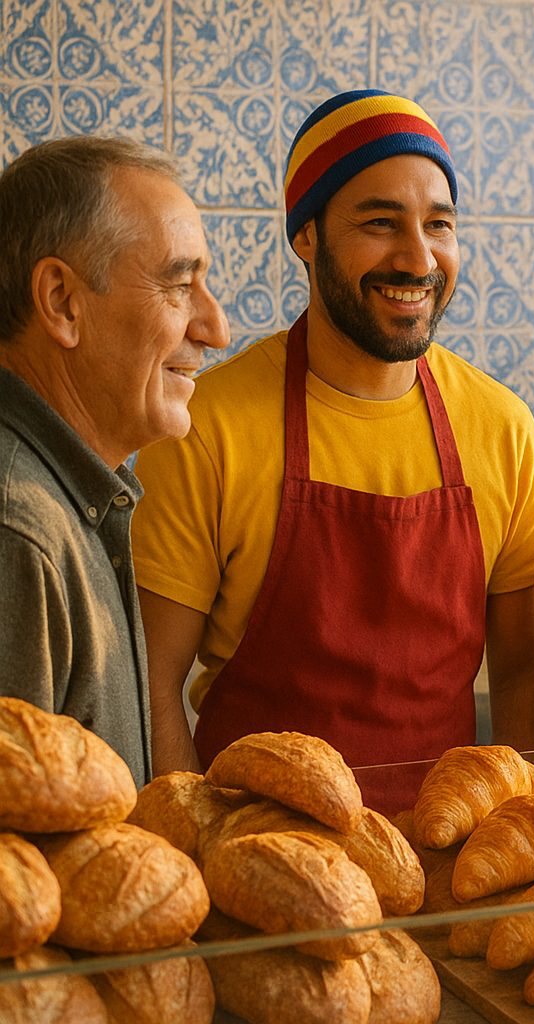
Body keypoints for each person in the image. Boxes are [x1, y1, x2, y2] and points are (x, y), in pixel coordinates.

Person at [131, 90, 534, 812]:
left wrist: (510, 849)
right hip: (260, 859)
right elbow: (150, 684)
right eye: (380, 223)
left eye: (439, 225)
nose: (418, 257)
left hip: (445, 853)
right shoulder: (209, 428)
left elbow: (523, 676)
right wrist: (191, 844)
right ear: (307, 236)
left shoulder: (502, 428)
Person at [0, 137, 230, 786]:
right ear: (62, 301)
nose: (215, 328)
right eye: (180, 285)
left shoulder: (75, 500)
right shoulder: (19, 537)